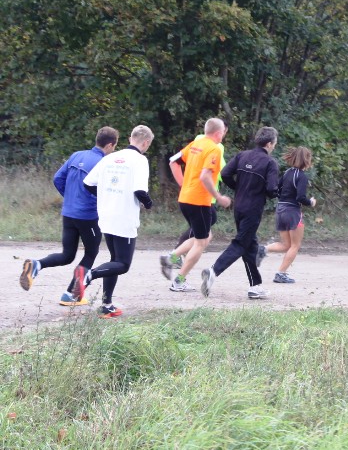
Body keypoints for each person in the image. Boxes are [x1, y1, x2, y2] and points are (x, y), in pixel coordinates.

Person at [19, 127, 119, 306]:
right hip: (88, 215)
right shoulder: (104, 163)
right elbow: (106, 191)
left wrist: (70, 198)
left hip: (68, 212)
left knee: (67, 255)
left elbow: (57, 178)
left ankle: (36, 265)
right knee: (91, 252)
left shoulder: (76, 155)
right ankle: (71, 295)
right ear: (110, 145)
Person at [80, 125, 154, 318]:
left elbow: (88, 183)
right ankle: (89, 274)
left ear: (130, 138)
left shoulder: (109, 158)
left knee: (114, 260)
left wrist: (106, 196)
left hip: (106, 215)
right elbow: (140, 191)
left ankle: (106, 304)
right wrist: (148, 204)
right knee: (123, 264)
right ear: (146, 142)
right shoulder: (140, 160)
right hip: (124, 218)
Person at [200, 127, 280, 300]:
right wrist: (279, 192)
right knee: (241, 243)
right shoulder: (270, 163)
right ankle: (213, 271)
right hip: (253, 209)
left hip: (239, 207)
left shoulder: (242, 155)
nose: (274, 146)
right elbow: (271, 189)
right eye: (274, 144)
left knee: (250, 244)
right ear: (269, 144)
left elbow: (225, 174)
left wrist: (238, 188)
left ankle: (255, 286)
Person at [161, 118, 232, 292]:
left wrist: (184, 184)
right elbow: (205, 176)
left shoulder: (195, 144)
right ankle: (178, 281)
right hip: (199, 201)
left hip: (185, 199)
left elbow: (174, 161)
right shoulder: (214, 149)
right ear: (218, 133)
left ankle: (171, 257)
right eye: (223, 132)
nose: (223, 135)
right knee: (201, 242)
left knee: (205, 236)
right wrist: (218, 197)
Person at [264, 146, 316, 284]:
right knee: (295, 245)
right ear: (306, 160)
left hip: (280, 209)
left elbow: (276, 190)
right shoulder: (302, 176)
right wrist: (310, 202)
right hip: (292, 212)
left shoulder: (287, 173)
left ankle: (262, 249)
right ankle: (281, 274)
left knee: (286, 245)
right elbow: (300, 197)